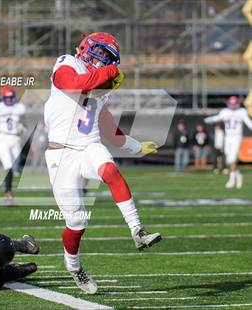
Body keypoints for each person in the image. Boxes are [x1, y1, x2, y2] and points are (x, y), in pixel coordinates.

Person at [44, 32, 162, 295]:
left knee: (109, 169)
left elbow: (110, 131)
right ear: (86, 48)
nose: (104, 60)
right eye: (102, 53)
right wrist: (107, 75)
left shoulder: (101, 92)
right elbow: (73, 83)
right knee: (77, 224)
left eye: (109, 58)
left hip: (88, 147)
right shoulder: (67, 62)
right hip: (61, 155)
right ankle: (73, 266)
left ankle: (138, 231)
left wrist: (137, 147)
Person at [205, 96, 252, 188]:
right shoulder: (225, 112)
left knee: (232, 159)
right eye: (232, 104)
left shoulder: (241, 112)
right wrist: (206, 120)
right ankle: (238, 175)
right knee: (228, 159)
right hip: (228, 137)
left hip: (236, 137)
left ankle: (231, 180)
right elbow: (216, 118)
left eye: (235, 104)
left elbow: (249, 123)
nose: (233, 106)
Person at [0, 86, 26, 205]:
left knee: (14, 165)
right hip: (3, 137)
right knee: (8, 165)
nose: (9, 100)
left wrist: (22, 128)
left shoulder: (19, 108)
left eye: (11, 97)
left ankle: (8, 190)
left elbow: (24, 124)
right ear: (2, 97)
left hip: (15, 138)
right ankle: (8, 192)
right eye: (7, 98)